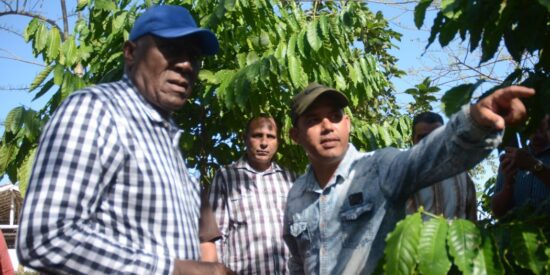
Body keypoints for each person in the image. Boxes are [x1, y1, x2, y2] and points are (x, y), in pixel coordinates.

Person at [17, 5, 232, 275]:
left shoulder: (167, 142)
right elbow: (45, 238)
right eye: (171, 48)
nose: (186, 64)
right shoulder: (95, 110)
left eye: (194, 56)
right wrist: (174, 270)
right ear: (130, 53)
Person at [283, 82, 534, 274]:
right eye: (313, 120)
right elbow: (297, 261)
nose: (327, 126)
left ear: (347, 124)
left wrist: (477, 119)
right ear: (295, 135)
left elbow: (427, 155)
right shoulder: (296, 196)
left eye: (335, 117)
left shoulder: (379, 167)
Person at [209, 115, 297, 274]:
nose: (264, 143)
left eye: (271, 137)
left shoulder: (290, 179)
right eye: (257, 135)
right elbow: (215, 237)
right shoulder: (226, 177)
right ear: (245, 138)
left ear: (278, 142)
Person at [406, 111, 477, 221]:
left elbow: (471, 221)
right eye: (423, 138)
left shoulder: (461, 175)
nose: (430, 143)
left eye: (436, 137)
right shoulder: (401, 176)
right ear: (413, 140)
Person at [492, 114, 550, 217]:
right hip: (518, 231)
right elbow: (498, 213)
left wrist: (534, 166)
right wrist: (508, 184)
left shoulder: (520, 157)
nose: (534, 129)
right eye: (527, 124)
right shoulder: (513, 158)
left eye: (539, 122)